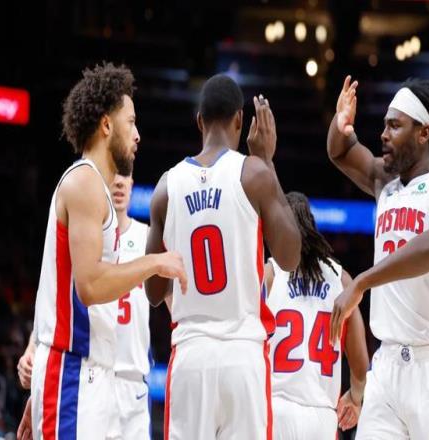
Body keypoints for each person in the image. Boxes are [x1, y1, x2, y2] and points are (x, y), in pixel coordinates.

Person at [20, 63, 187, 440]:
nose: (138, 134)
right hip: (73, 374)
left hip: (89, 377)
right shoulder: (84, 183)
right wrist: (154, 261)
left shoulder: (94, 187)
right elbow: (90, 286)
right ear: (107, 125)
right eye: (131, 122)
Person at [327, 75, 429, 439]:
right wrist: (341, 123)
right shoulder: (385, 182)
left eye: (394, 126)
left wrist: (362, 282)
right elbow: (339, 151)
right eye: (384, 125)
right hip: (385, 368)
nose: (383, 134)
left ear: (423, 132)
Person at [145, 74, 301, 440]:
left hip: (191, 354)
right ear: (240, 120)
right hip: (242, 355)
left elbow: (153, 293)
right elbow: (291, 257)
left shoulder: (166, 187)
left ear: (199, 121)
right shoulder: (254, 173)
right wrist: (267, 160)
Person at [265, 191, 369, 439]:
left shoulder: (270, 274)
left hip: (276, 410)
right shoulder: (342, 280)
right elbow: (360, 364)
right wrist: (355, 397)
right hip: (322, 418)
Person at [108, 174, 153, 440]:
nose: (119, 183)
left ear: (132, 183)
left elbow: (174, 304)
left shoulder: (146, 237)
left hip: (134, 380)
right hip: (97, 374)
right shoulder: (88, 238)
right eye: (114, 173)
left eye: (125, 175)